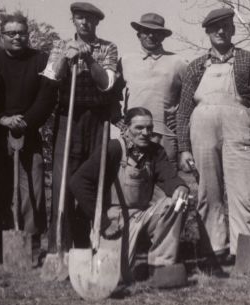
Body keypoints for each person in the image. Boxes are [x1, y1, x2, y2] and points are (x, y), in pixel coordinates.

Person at [177, 7, 250, 269]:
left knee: (244, 190)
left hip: (238, 124)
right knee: (208, 191)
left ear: (233, 29)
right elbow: (183, 109)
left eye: (226, 26)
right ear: (207, 32)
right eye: (215, 28)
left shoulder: (249, 61)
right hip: (202, 128)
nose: (221, 31)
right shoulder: (195, 67)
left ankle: (245, 252)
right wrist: (183, 148)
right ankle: (213, 249)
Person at [69, 107, 189, 285]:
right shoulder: (114, 148)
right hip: (115, 220)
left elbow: (169, 177)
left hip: (143, 214)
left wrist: (180, 186)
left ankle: (161, 266)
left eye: (149, 128)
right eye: (139, 128)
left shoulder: (155, 151)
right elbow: (78, 181)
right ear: (126, 129)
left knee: (177, 203)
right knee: (115, 279)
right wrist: (102, 220)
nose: (145, 133)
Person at [41, 2, 120, 251]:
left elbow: (107, 83)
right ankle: (59, 247)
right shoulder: (60, 45)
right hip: (69, 117)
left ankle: (91, 243)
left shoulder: (108, 47)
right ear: (73, 20)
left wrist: (88, 58)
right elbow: (53, 76)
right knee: (63, 180)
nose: (84, 22)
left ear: (97, 23)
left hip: (97, 119)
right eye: (79, 18)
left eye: (89, 19)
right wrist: (68, 56)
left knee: (93, 179)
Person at [0, 13, 58, 264]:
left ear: (28, 34)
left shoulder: (41, 60)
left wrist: (25, 122)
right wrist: (2, 119)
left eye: (22, 32)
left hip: (29, 131)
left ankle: (32, 244)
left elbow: (47, 97)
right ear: (1, 36)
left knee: (32, 189)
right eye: (11, 33)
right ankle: (1, 244)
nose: (17, 37)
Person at [120, 13, 187, 164]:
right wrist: (119, 121)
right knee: (133, 181)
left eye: (156, 32)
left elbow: (191, 95)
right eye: (146, 31)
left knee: (165, 182)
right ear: (139, 34)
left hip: (165, 134)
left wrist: (179, 120)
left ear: (163, 36)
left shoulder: (178, 62)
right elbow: (112, 93)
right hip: (133, 134)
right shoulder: (126, 60)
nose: (151, 35)